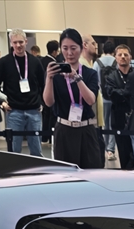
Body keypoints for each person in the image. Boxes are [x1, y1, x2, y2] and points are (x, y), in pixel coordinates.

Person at [43, 28, 102, 167]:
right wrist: (49, 79)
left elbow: (90, 100)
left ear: (81, 48)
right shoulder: (54, 74)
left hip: (86, 129)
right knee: (65, 174)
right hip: (64, 129)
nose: (69, 53)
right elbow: (48, 102)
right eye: (65, 48)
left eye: (73, 48)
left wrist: (77, 78)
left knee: (90, 172)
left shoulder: (90, 74)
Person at [0, 29, 45, 157]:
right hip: (14, 111)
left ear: (26, 42)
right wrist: (1, 102)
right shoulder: (4, 62)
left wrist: (41, 102)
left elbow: (43, 84)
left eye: (21, 42)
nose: (18, 45)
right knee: (14, 150)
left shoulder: (35, 62)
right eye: (15, 42)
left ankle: (38, 169)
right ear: (11, 43)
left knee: (36, 149)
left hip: (34, 111)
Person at [102, 44, 134, 169]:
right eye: (120, 54)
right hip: (119, 118)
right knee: (124, 153)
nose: (123, 57)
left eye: (126, 54)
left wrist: (121, 93)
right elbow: (112, 95)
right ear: (115, 57)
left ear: (130, 57)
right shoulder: (111, 77)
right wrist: (128, 93)